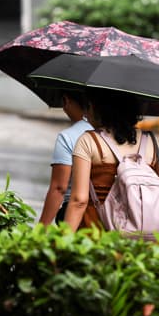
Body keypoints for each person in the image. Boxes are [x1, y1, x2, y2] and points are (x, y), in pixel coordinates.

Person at [63, 88, 159, 231]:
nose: (86, 114)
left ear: (97, 108)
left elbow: (79, 200)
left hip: (97, 235)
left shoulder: (88, 141)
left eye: (87, 106)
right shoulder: (152, 142)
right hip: (144, 238)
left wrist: (63, 238)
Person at [38, 91, 93, 225]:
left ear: (66, 100)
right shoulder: (117, 133)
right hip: (111, 216)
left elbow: (59, 188)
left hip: (75, 216)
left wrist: (41, 229)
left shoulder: (68, 136)